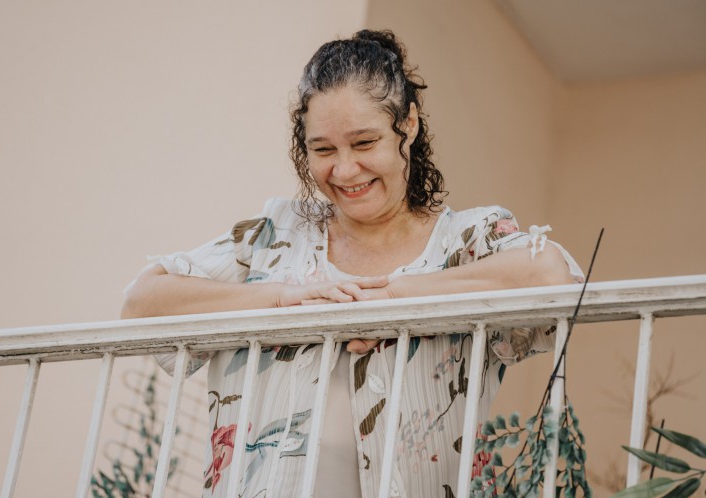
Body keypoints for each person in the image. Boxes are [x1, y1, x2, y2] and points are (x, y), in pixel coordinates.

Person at [122, 29, 583, 498]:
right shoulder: (273, 234)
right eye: (323, 150)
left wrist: (393, 298)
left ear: (409, 125)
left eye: (364, 143)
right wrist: (280, 299)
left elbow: (549, 275)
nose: (344, 171)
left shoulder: (465, 239)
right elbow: (142, 303)